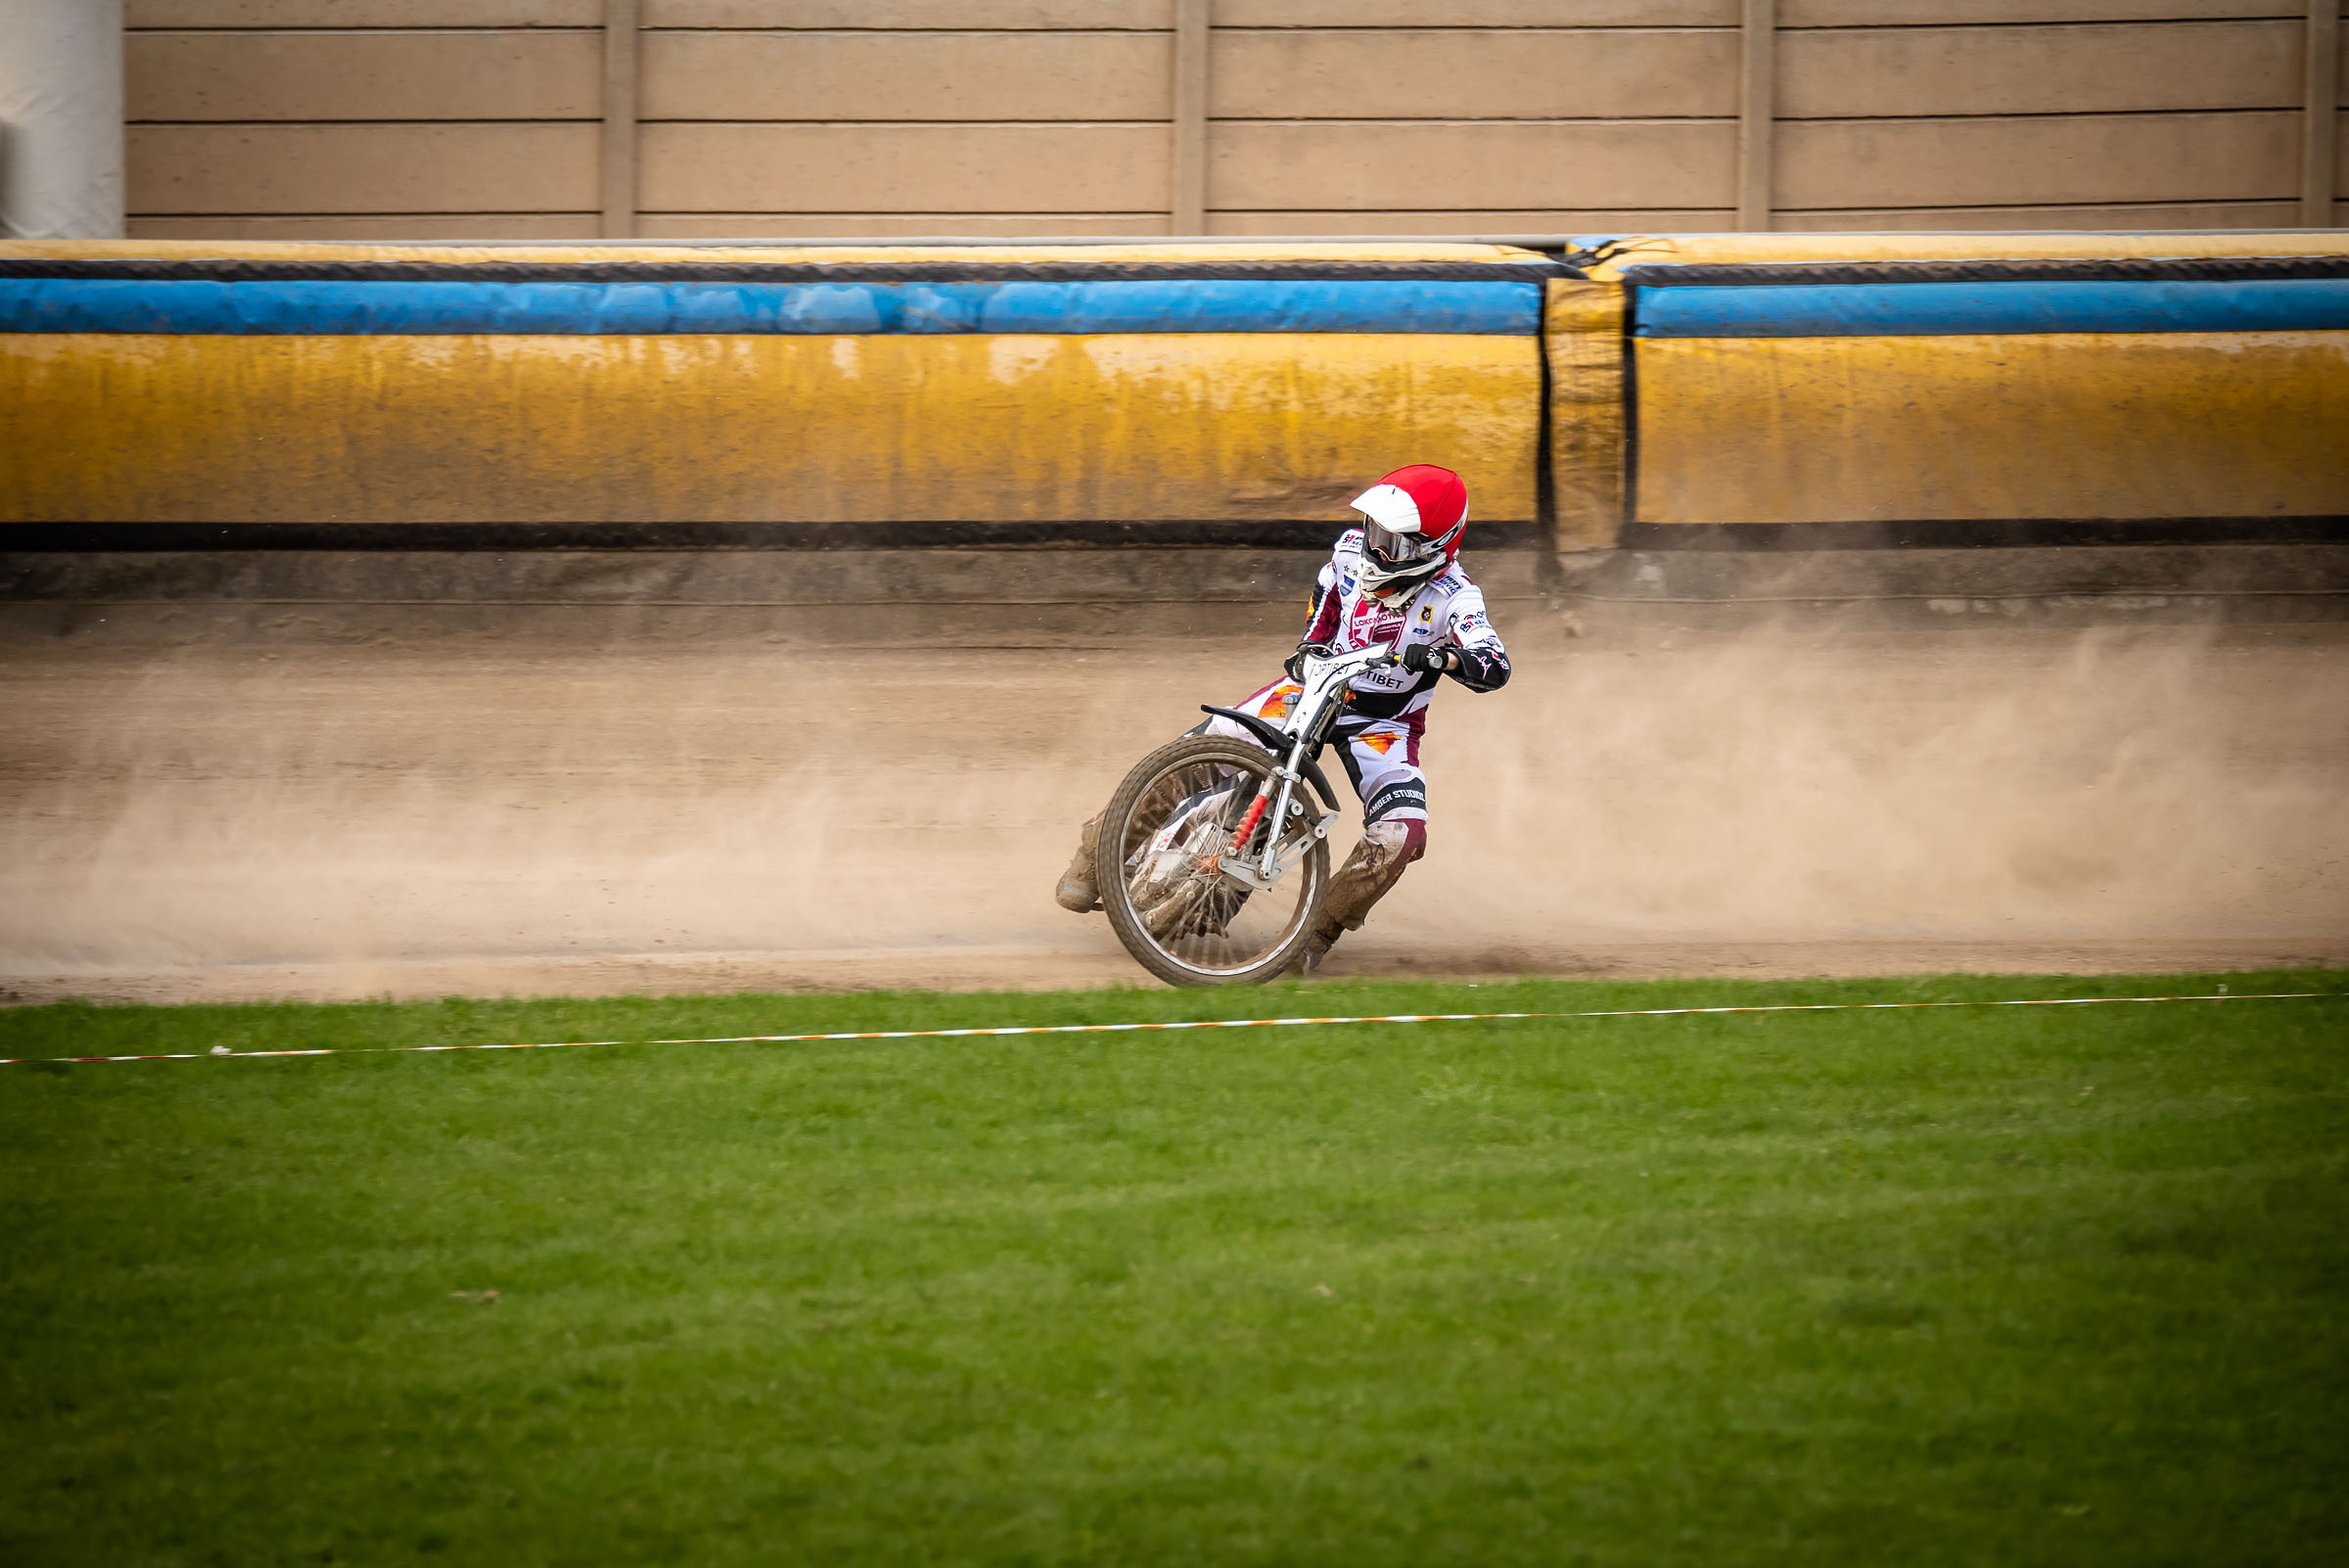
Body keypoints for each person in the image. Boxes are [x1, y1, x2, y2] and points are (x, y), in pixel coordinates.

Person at [1054, 463, 1511, 969]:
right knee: (1200, 749)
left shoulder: (1456, 597)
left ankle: (1316, 932)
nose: (1376, 548)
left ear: (1435, 546)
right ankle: (1096, 852)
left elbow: (1494, 665)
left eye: (1395, 542)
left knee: (1402, 833)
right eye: (1374, 531)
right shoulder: (1347, 552)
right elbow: (1328, 598)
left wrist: (1443, 658)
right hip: (1313, 686)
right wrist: (1311, 644)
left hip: (1384, 725)